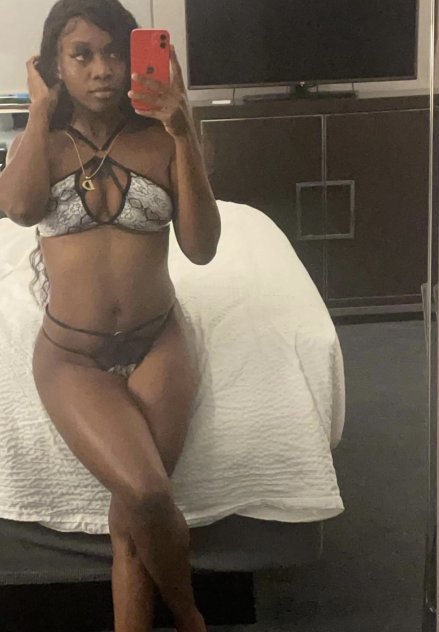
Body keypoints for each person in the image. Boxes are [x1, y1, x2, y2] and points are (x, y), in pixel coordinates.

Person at [0, 0, 221, 630]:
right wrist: (37, 111)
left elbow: (202, 249)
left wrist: (183, 129)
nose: (102, 69)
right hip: (73, 356)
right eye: (82, 55)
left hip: (158, 342)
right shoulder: (41, 143)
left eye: (115, 53)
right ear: (55, 64)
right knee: (147, 492)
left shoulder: (163, 137)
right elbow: (18, 209)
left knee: (133, 516)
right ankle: (190, 617)